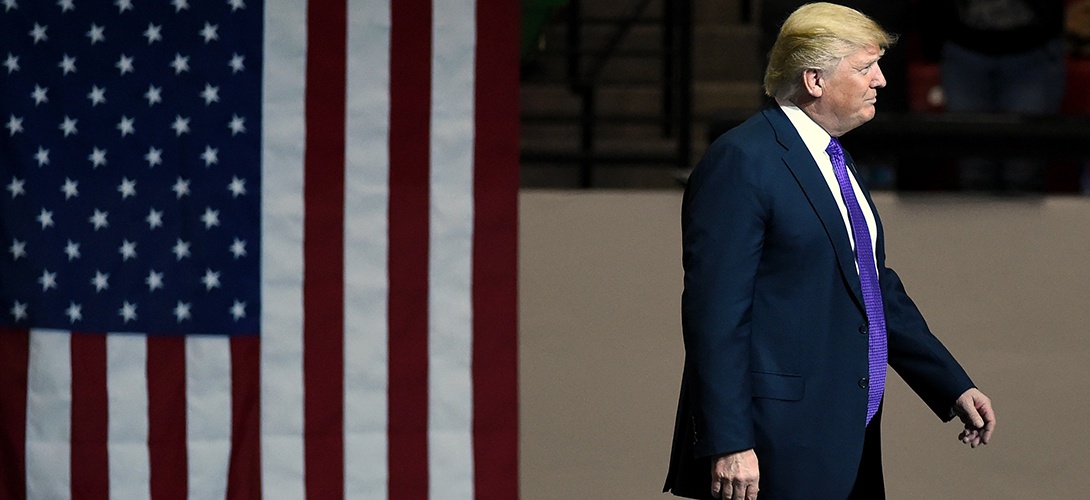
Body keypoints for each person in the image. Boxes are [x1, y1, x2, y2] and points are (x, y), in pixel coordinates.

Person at [663, 4, 996, 499]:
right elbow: (716, 314)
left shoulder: (834, 159)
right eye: (865, 67)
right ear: (814, 80)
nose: (881, 80)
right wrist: (729, 441)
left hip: (845, 438)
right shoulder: (743, 160)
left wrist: (948, 383)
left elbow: (871, 284)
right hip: (772, 447)